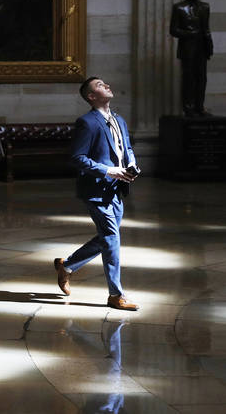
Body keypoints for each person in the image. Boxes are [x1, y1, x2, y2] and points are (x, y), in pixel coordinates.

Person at [53, 77, 139, 311]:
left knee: (106, 238)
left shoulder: (119, 119)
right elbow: (77, 158)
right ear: (91, 96)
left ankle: (67, 266)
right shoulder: (87, 123)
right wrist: (110, 171)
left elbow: (127, 148)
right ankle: (115, 295)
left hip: (116, 189)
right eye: (100, 85)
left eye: (106, 83)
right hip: (96, 190)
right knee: (111, 238)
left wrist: (131, 164)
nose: (107, 85)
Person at [169, 0, 213, 116]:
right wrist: (189, 34)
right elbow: (173, 30)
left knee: (202, 78)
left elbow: (206, 29)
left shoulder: (205, 7)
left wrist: (209, 47)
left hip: (201, 48)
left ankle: (200, 106)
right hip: (187, 49)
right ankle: (188, 107)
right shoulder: (179, 8)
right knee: (189, 79)